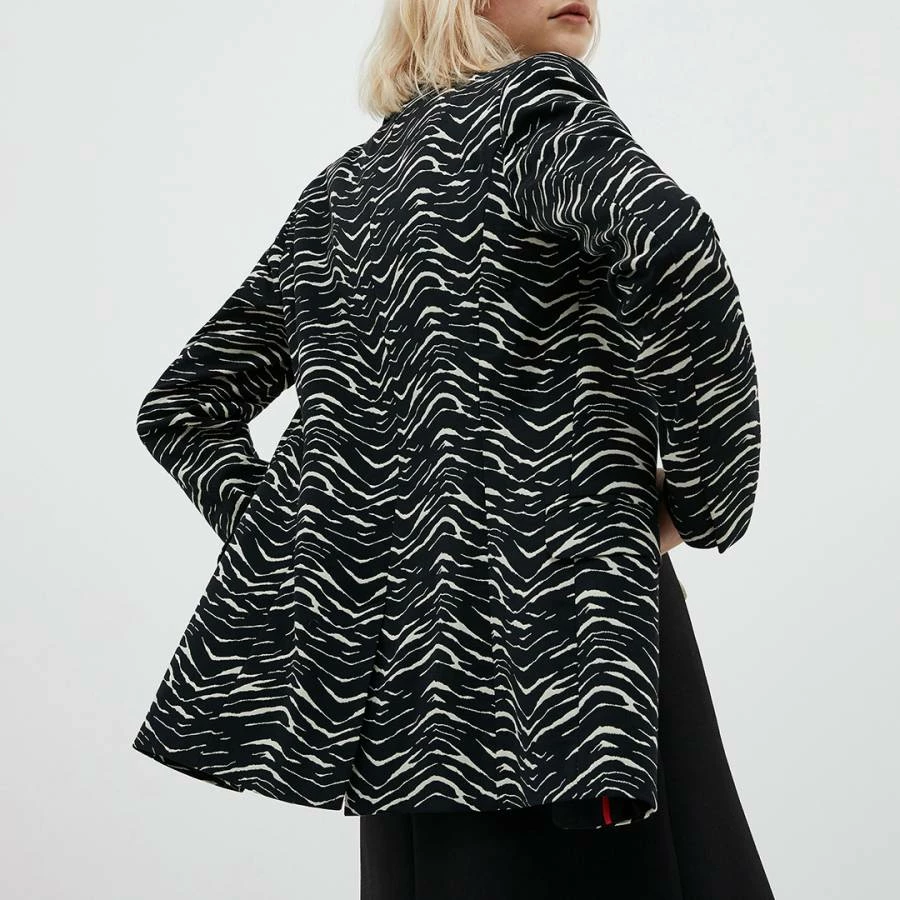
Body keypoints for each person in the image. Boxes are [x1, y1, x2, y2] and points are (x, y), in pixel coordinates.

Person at [132, 0, 772, 897]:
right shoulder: (531, 112)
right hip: (570, 648)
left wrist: (322, 557)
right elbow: (669, 238)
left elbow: (182, 411)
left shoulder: (342, 194)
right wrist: (701, 502)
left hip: (398, 683)